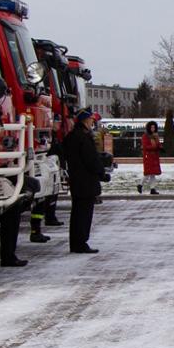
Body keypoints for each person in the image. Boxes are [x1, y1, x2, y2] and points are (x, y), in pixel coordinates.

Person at [59, 108, 104, 254]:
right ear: (85, 120)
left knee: (77, 212)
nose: (93, 122)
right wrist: (101, 173)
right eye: (91, 119)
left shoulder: (72, 136)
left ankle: (76, 242)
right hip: (86, 181)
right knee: (83, 213)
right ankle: (80, 242)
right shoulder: (83, 137)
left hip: (77, 180)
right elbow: (91, 159)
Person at [139, 121, 164, 196]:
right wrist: (155, 147)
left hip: (154, 156)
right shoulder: (145, 136)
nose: (153, 128)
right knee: (148, 172)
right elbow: (145, 146)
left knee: (153, 173)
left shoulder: (155, 135)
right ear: (149, 128)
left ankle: (152, 189)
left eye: (154, 127)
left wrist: (161, 147)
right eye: (151, 127)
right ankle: (140, 185)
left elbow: (158, 144)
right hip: (148, 156)